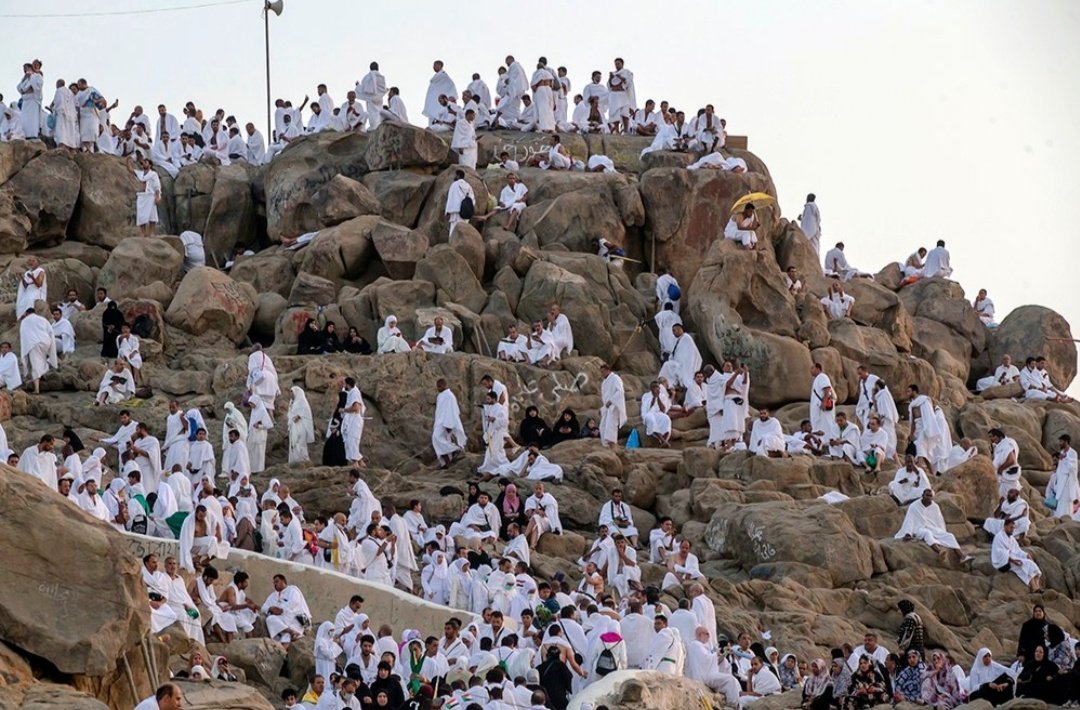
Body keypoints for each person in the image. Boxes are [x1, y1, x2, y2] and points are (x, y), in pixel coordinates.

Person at [895, 489, 970, 562]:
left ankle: (961, 556)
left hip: (932, 528)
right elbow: (909, 520)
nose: (928, 497)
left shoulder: (935, 507)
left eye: (930, 496)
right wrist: (908, 533)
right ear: (922, 496)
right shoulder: (914, 506)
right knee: (927, 533)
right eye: (927, 495)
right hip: (918, 529)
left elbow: (939, 521)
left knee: (950, 536)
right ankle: (940, 551)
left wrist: (941, 532)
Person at [992, 519, 1043, 592]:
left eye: (1013, 528)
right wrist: (1013, 560)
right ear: (1005, 526)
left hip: (1012, 558)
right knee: (1026, 565)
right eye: (1010, 528)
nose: (1012, 530)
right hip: (1003, 562)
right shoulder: (999, 537)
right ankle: (1034, 587)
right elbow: (999, 553)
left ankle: (1037, 586)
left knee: (1032, 564)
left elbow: (1017, 550)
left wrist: (1026, 555)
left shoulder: (1011, 538)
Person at [19, 308, 58, 395]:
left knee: (35, 364)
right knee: (42, 360)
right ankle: (44, 372)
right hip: (46, 342)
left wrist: (26, 348)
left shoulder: (25, 321)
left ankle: (37, 389)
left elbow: (24, 335)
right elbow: (51, 331)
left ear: (26, 313)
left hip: (34, 344)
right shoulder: (42, 319)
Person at [432, 378, 466, 468]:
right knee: (440, 441)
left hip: (446, 422)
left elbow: (452, 411)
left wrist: (449, 424)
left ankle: (455, 449)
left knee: (436, 437)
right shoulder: (440, 395)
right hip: (439, 421)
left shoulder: (449, 396)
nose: (438, 388)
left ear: (444, 385)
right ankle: (446, 462)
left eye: (439, 386)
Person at [658, 322, 702, 391]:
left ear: (679, 329)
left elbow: (689, 355)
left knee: (667, 365)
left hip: (685, 366)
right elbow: (677, 353)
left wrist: (679, 363)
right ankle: (664, 384)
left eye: (674, 330)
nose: (673, 333)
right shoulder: (679, 339)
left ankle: (668, 384)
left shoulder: (686, 338)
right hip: (679, 363)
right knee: (667, 365)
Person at [1046, 434, 1079, 520]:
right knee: (1059, 506)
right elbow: (1060, 470)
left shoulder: (1072, 453)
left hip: (1068, 484)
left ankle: (1066, 521)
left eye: (1061, 441)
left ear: (1066, 442)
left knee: (1066, 506)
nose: (1059, 443)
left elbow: (1073, 468)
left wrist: (1065, 458)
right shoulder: (1061, 453)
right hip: (1060, 484)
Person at [129, 155, 161, 236]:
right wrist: (127, 160)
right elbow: (130, 169)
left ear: (150, 165)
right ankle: (143, 233)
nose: (144, 164)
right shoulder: (140, 173)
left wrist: (157, 196)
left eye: (146, 163)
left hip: (150, 196)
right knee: (141, 215)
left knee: (152, 215)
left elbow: (157, 185)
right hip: (141, 197)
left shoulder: (153, 174)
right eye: (143, 163)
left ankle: (152, 233)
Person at [989, 428, 1023, 499]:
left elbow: (1012, 460)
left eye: (992, 436)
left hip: (1007, 476)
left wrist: (1000, 469)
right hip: (1003, 477)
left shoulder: (1006, 444)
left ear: (1000, 436)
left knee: (1006, 499)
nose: (991, 439)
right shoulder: (999, 446)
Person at [423, 60, 457, 127]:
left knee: (440, 115)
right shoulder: (435, 77)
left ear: (440, 66)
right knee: (432, 116)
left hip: (441, 102)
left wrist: (451, 97)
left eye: (435, 65)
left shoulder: (444, 76)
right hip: (434, 102)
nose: (433, 67)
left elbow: (451, 86)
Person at [599, 364, 626, 448]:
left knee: (610, 428)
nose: (602, 374)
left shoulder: (615, 378)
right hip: (607, 407)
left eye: (603, 372)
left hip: (614, 406)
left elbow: (620, 392)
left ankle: (613, 446)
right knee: (602, 427)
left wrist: (611, 401)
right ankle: (607, 446)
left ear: (608, 370)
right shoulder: (604, 382)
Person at [246, 344, 280, 410]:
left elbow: (252, 370)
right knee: (269, 404)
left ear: (253, 350)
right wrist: (277, 387)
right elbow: (273, 371)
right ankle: (271, 419)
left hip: (260, 378)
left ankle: (260, 419)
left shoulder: (252, 356)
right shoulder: (266, 357)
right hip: (271, 378)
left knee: (257, 402)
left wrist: (248, 384)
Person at [341, 377, 365, 467]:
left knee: (352, 441)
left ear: (348, 384)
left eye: (344, 384)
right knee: (351, 442)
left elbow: (356, 408)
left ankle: (355, 463)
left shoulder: (354, 393)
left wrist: (343, 410)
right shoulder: (351, 392)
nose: (344, 386)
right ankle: (360, 462)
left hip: (354, 421)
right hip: (352, 420)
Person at [809, 363, 837, 441]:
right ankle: (821, 444)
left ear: (818, 368)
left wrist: (824, 402)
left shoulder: (822, 376)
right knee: (820, 426)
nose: (810, 370)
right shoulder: (817, 378)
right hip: (819, 408)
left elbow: (827, 389)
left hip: (823, 408)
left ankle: (829, 443)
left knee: (827, 425)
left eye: (812, 368)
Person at [641, 381, 672, 447]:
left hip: (658, 413)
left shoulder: (662, 396)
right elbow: (648, 408)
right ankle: (663, 441)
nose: (655, 388)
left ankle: (663, 442)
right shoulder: (646, 395)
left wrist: (658, 397)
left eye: (657, 386)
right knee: (651, 420)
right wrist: (654, 397)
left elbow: (663, 410)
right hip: (648, 413)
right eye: (653, 387)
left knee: (666, 419)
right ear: (650, 388)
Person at [288, 386, 315, 464]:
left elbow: (304, 413)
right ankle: (294, 462)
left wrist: (298, 416)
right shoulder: (292, 402)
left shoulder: (302, 401)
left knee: (300, 443)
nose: (290, 395)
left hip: (300, 426)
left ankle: (302, 461)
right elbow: (290, 413)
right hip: (293, 426)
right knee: (293, 444)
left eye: (292, 392)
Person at [247, 397, 273, 474]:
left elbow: (268, 425)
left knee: (259, 453)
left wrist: (259, 426)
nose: (251, 405)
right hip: (253, 435)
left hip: (260, 436)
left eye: (252, 403)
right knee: (252, 452)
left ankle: (259, 470)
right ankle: (252, 469)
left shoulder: (262, 411)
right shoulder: (254, 411)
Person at [445, 169, 474, 236]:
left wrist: (448, 212)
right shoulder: (468, 186)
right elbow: (472, 199)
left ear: (458, 175)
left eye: (455, 175)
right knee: (464, 232)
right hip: (465, 212)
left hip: (456, 212)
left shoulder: (454, 185)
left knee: (454, 232)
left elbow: (451, 199)